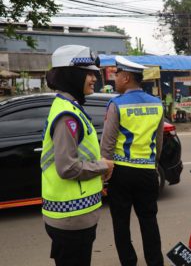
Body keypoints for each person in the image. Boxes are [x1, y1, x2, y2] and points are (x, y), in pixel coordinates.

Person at [41, 45, 114, 266]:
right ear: (73, 75)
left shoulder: (69, 107)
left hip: (73, 215)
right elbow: (67, 168)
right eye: (89, 73)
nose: (95, 78)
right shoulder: (67, 116)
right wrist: (102, 166)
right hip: (71, 217)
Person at [101, 56, 164, 266]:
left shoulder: (116, 104)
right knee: (149, 221)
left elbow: (107, 144)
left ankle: (129, 263)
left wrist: (105, 173)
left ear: (126, 77)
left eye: (117, 75)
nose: (114, 79)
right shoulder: (157, 104)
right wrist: (153, 166)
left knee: (121, 223)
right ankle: (155, 262)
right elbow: (159, 142)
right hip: (147, 172)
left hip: (121, 173)